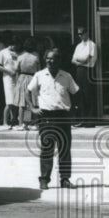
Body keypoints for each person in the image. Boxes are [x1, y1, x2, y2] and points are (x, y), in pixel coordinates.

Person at [27, 48, 79, 190]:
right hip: (46, 117)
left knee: (64, 148)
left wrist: (74, 111)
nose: (50, 61)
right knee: (47, 148)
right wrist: (33, 108)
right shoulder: (39, 75)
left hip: (63, 116)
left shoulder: (66, 76)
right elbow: (28, 91)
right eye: (48, 58)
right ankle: (44, 179)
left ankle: (65, 179)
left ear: (59, 60)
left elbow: (75, 93)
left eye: (53, 58)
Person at [71, 25, 98, 126]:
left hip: (88, 71)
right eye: (78, 34)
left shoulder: (92, 45)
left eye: (81, 33)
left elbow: (89, 60)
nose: (79, 35)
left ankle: (90, 120)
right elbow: (73, 60)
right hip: (79, 71)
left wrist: (79, 60)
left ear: (87, 33)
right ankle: (82, 119)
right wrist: (81, 61)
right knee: (80, 95)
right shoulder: (78, 46)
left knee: (88, 95)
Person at [14, 37, 40, 130]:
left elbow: (16, 69)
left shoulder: (20, 56)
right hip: (33, 78)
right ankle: (35, 123)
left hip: (22, 78)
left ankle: (21, 124)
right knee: (34, 101)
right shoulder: (36, 57)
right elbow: (39, 70)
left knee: (22, 102)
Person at [0, 35, 20, 128]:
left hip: (17, 78)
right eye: (13, 45)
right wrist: (9, 71)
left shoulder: (18, 53)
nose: (14, 47)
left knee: (16, 100)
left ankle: (14, 120)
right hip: (8, 79)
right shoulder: (3, 52)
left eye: (16, 45)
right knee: (9, 101)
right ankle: (5, 122)